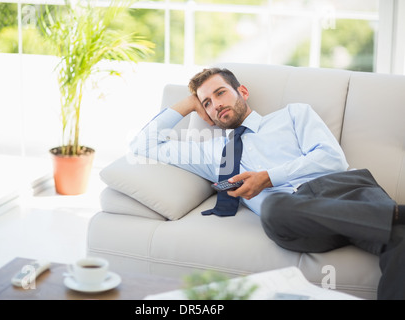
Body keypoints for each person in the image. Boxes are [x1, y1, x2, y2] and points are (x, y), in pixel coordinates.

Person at [130, 67, 405, 300]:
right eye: (207, 104)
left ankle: (393, 219)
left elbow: (331, 158)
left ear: (243, 92)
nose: (216, 105)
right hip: (296, 219)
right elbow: (143, 144)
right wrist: (188, 102)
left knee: (400, 243)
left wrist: (268, 177)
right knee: (274, 208)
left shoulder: (292, 115)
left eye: (220, 92)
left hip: (344, 189)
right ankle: (397, 214)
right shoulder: (212, 152)